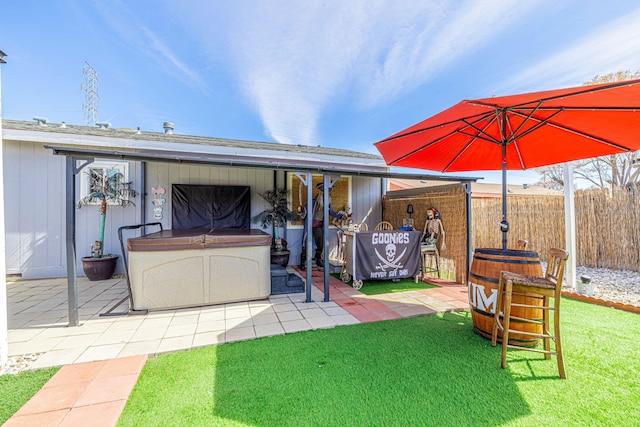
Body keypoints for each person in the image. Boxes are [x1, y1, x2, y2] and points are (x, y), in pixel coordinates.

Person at [301, 183, 344, 270]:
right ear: (320, 191)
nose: (326, 194)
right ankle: (303, 261)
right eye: (324, 192)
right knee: (306, 242)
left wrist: (341, 216)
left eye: (327, 192)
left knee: (320, 243)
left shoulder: (327, 203)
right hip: (310, 224)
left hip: (319, 225)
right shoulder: (312, 201)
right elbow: (304, 212)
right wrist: (301, 211)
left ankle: (318, 260)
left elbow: (331, 212)